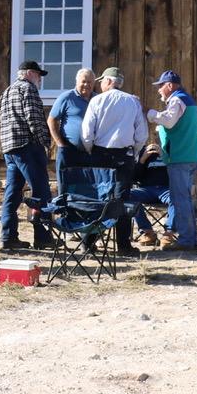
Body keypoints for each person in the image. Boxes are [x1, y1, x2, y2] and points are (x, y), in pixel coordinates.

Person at [80, 66, 149, 253]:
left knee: (98, 198)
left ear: (109, 81)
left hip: (100, 154)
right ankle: (124, 245)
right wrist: (133, 152)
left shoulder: (96, 101)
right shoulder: (132, 102)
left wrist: (91, 150)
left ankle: (88, 243)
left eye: (102, 81)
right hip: (123, 156)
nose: (100, 84)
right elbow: (142, 134)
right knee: (122, 200)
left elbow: (87, 133)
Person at [146, 70, 197, 252]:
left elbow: (168, 121)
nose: (159, 89)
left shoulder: (176, 100)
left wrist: (149, 113)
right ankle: (190, 238)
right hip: (191, 156)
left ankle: (187, 241)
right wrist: (195, 136)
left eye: (161, 86)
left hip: (179, 158)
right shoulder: (188, 101)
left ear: (169, 85)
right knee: (184, 199)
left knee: (180, 199)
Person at [0, 60, 53, 249]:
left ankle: (8, 237)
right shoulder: (28, 89)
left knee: (12, 193)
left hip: (10, 148)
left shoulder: (6, 92)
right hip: (27, 146)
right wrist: (45, 141)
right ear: (30, 73)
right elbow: (34, 118)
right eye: (38, 75)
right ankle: (43, 238)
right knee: (41, 191)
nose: (40, 79)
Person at [49, 68, 97, 180]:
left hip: (91, 152)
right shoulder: (66, 97)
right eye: (83, 81)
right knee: (67, 186)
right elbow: (52, 120)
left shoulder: (97, 99)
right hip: (69, 150)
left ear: (94, 83)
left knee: (88, 187)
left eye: (89, 82)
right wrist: (59, 143)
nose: (86, 85)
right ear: (77, 82)